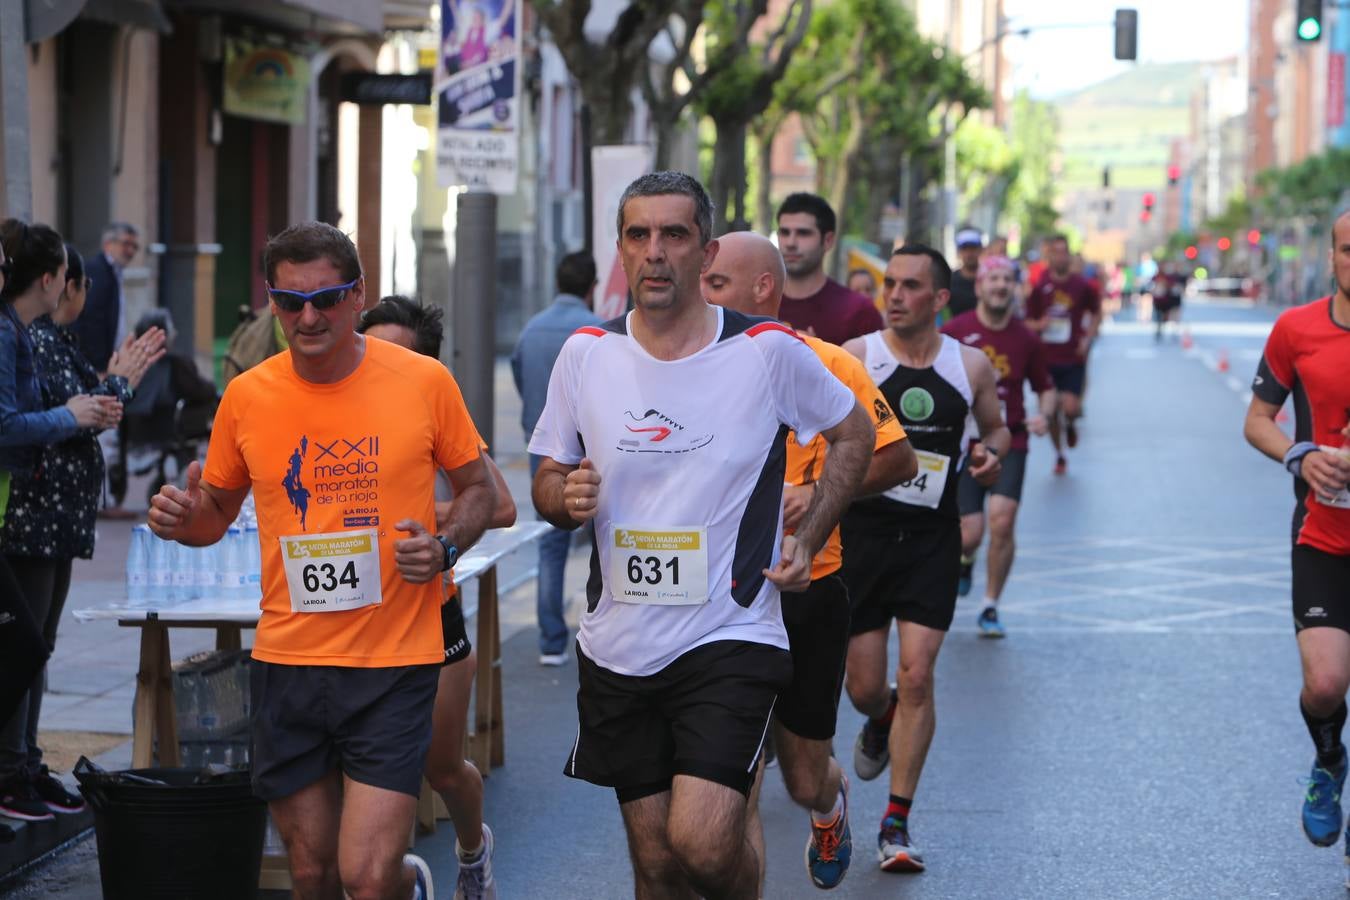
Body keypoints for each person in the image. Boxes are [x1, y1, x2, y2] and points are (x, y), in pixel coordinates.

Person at [529, 172, 875, 900]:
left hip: (731, 633)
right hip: (618, 645)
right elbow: (546, 479)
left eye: (675, 235)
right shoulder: (585, 355)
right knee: (657, 867)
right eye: (638, 235)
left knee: (706, 846)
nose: (655, 253)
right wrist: (564, 495)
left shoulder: (767, 352)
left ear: (703, 250)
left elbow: (855, 433)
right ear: (621, 250)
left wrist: (810, 536)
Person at [147, 222, 499, 900]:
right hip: (290, 664)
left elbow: (481, 489)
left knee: (366, 878)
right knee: (312, 873)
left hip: (394, 664)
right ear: (273, 301)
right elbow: (215, 513)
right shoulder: (248, 396)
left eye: (328, 298)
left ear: (358, 295)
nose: (308, 317)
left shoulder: (423, 381)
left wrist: (446, 544)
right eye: (289, 302)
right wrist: (184, 521)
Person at [703, 230, 915, 891]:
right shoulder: (686, 373)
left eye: (714, 284)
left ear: (762, 289)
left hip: (809, 593)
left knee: (800, 777)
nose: (697, 297)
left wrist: (818, 493)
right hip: (716, 600)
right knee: (732, 776)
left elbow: (896, 458)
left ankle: (829, 806)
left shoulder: (826, 364)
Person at [840, 244, 1010, 874]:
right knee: (863, 685)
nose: (895, 295)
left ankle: (896, 822)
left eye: (911, 286)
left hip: (931, 542)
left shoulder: (970, 366)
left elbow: (996, 430)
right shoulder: (858, 358)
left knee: (916, 675)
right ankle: (879, 717)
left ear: (940, 299)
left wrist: (991, 453)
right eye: (890, 283)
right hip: (863, 538)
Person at [358, 294, 515, 900]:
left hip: (430, 617)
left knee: (440, 766)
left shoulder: (433, 406)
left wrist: (421, 516)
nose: (376, 362)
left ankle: (473, 852)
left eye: (397, 354)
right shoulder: (325, 402)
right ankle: (392, 879)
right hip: (345, 622)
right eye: (370, 346)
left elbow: (500, 505)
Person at [1, 245, 163, 819]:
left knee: (36, 646)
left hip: (56, 520)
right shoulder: (32, 337)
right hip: (34, 519)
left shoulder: (48, 339)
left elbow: (85, 409)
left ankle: (23, 763)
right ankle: (11, 771)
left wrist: (112, 389)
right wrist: (111, 390)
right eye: (80, 282)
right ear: (60, 284)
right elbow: (55, 416)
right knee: (25, 647)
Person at [1243, 210, 1350, 882]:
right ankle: (1329, 757)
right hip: (1323, 535)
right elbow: (1257, 420)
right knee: (1325, 682)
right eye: (1349, 249)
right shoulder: (1297, 329)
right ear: (1335, 255)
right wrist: (1300, 455)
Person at [941, 255, 1057, 637]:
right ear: (979, 287)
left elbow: (1046, 388)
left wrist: (1044, 414)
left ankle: (991, 605)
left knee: (1003, 522)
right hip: (964, 441)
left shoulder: (1026, 338)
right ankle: (964, 560)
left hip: (1011, 439)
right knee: (970, 532)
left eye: (1007, 280)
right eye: (993, 279)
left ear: (1014, 287)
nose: (1000, 286)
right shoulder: (956, 331)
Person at [511, 252, 603, 665]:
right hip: (595, 444)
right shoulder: (598, 333)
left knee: (552, 537)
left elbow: (518, 374)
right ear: (591, 287)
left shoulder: (531, 329)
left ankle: (551, 639)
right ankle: (601, 624)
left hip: (544, 442)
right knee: (609, 533)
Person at [71, 222, 140, 519]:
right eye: (126, 243)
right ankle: (103, 501)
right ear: (108, 243)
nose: (131, 251)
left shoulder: (112, 272)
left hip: (106, 362)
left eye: (134, 246)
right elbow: (92, 321)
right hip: (99, 366)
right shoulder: (99, 271)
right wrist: (100, 368)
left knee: (108, 429)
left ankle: (106, 499)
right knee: (104, 431)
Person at [1024, 234, 1100, 475]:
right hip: (1046, 358)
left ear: (1068, 255)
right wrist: (1040, 325)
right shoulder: (1040, 285)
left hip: (1073, 356)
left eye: (1063, 251)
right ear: (1049, 256)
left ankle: (1071, 421)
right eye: (1055, 251)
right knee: (1051, 410)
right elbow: (1027, 322)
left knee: (1069, 407)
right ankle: (1059, 454)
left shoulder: (1081, 285)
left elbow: (1097, 312)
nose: (1060, 256)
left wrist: (1088, 338)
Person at [777, 193, 884, 345]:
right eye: (784, 232)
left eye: (803, 233)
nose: (790, 242)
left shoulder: (860, 313)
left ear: (828, 240)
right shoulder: (754, 306)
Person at [946, 226, 982, 319]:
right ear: (959, 252)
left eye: (973, 248)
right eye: (965, 249)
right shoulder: (949, 281)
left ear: (980, 250)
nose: (969, 253)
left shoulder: (989, 280)